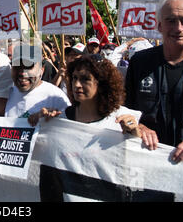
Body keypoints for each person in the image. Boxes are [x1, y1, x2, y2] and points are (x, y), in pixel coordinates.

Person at [40, 54, 142, 202]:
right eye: (74, 78)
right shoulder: (59, 120)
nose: (77, 85)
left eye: (85, 79)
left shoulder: (122, 119)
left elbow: (139, 167)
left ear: (102, 83)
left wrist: (135, 137)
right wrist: (37, 121)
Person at [125, 0, 183, 163]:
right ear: (159, 26)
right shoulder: (140, 63)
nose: (178, 28)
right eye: (171, 20)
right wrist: (139, 126)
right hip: (147, 166)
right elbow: (125, 111)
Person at [0, 43, 71, 126]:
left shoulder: (55, 97)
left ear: (41, 69)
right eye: (17, 67)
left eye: (28, 67)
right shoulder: (6, 93)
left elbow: (69, 130)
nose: (22, 73)